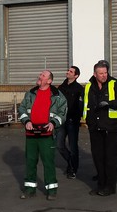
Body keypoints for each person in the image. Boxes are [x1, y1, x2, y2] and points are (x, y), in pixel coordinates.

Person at [18, 70, 67, 200]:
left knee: (48, 162)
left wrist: (53, 123)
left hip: (47, 134)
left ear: (49, 81)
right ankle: (29, 189)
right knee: (30, 161)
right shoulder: (30, 93)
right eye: (40, 75)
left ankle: (51, 191)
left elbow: (63, 113)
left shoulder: (58, 96)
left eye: (43, 75)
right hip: (31, 134)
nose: (39, 77)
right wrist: (26, 121)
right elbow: (22, 109)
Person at [83, 60, 117, 196]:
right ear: (95, 74)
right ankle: (100, 185)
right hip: (95, 127)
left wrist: (109, 103)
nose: (103, 75)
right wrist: (88, 121)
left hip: (111, 127)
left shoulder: (115, 84)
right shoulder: (89, 86)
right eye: (101, 73)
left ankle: (110, 187)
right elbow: (85, 104)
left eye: (105, 73)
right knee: (98, 158)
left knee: (110, 158)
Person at [57, 65, 84, 178]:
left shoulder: (79, 89)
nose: (68, 72)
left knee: (73, 146)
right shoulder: (61, 87)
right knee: (59, 144)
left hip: (73, 121)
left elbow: (80, 105)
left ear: (76, 75)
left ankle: (73, 168)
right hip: (62, 120)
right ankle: (70, 161)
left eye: (71, 71)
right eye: (68, 70)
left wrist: (76, 118)